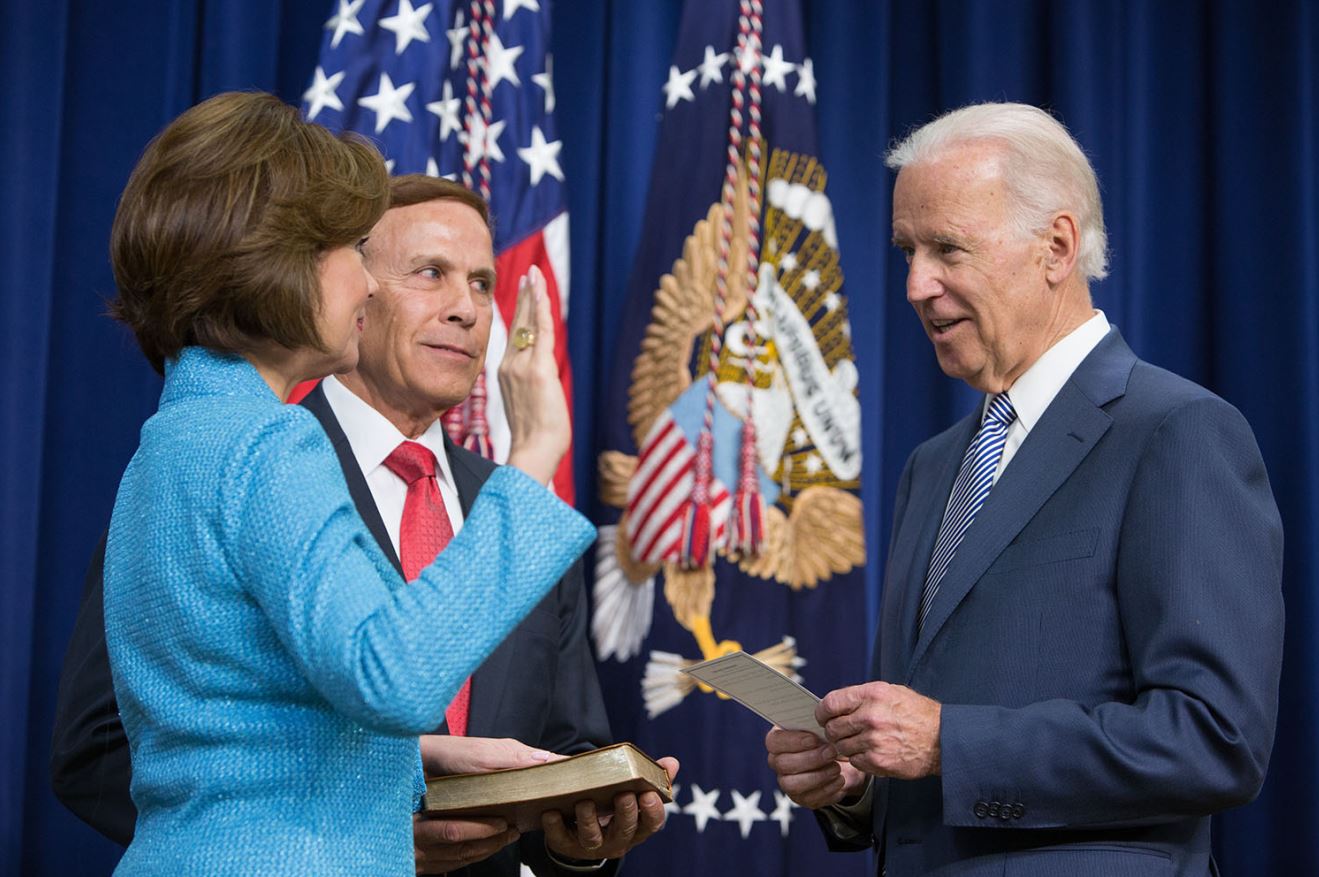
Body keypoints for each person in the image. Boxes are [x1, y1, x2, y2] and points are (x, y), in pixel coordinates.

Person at [52, 173, 677, 875]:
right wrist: (373, 824)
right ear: (353, 287)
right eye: (430, 273)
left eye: (480, 282)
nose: (468, 309)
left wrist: (576, 843)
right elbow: (107, 743)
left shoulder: (520, 514)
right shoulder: (258, 451)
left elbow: (560, 749)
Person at [764, 102, 1284, 876]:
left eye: (947, 248)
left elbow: (1214, 739)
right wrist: (857, 783)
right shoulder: (933, 465)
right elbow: (933, 754)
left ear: (1057, 246)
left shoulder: (1175, 432)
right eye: (907, 249)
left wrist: (948, 742)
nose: (914, 284)